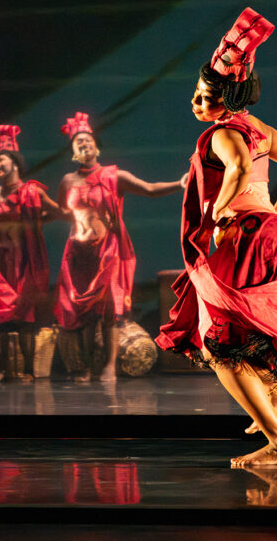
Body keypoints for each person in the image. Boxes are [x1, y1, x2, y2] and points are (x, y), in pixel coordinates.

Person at [155, 8, 277, 467]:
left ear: (226, 100)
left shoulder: (222, 134)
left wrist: (224, 205)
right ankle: (273, 386)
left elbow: (240, 167)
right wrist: (274, 213)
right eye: (196, 94)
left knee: (220, 346)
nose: (196, 103)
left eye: (205, 97)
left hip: (245, 237)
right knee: (237, 329)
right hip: (273, 235)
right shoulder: (259, 129)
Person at [55, 112, 184, 382]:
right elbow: (60, 212)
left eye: (88, 140)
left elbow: (149, 189)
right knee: (86, 315)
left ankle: (110, 366)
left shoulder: (114, 176)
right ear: (73, 150)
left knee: (110, 311)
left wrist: (178, 184)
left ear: (96, 146)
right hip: (79, 254)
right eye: (78, 141)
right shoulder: (68, 182)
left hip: (109, 252)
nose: (84, 144)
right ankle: (90, 364)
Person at [0, 124, 63, 382]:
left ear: (15, 163)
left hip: (24, 262)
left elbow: (58, 212)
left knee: (24, 319)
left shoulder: (33, 192)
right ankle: (5, 371)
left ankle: (28, 370)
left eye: (1, 159)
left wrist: (38, 222)